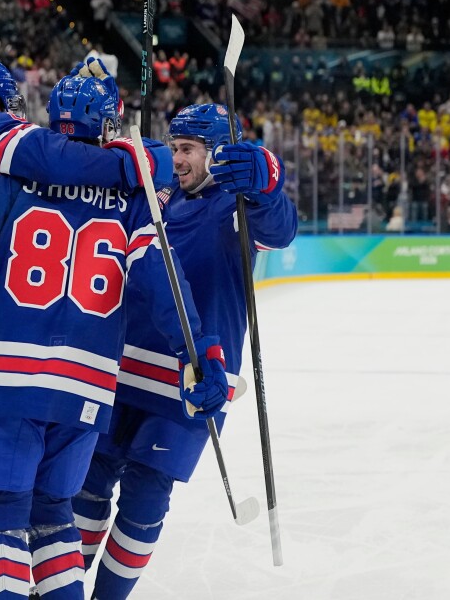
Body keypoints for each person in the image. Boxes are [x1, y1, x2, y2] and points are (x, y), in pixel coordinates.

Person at [0, 72, 228, 600]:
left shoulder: (12, 175)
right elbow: (163, 282)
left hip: (4, 376)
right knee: (55, 519)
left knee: (2, 520)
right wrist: (199, 354)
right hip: (88, 385)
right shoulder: (134, 196)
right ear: (108, 125)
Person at [71, 103, 297, 599]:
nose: (177, 159)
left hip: (193, 379)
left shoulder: (234, 206)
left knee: (146, 500)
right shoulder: (159, 199)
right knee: (86, 486)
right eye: (174, 148)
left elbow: (279, 230)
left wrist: (265, 182)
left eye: (188, 150)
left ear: (217, 155)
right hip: (122, 368)